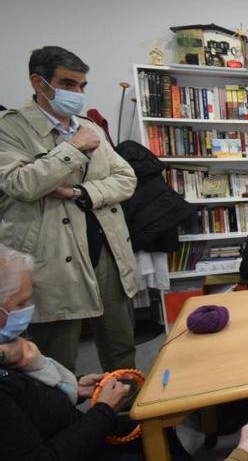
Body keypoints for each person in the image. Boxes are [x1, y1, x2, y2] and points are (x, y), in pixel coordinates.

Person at [0, 46, 139, 373]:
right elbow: (21, 184)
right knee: (55, 356)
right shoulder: (11, 128)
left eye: (81, 86)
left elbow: (126, 177)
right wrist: (73, 148)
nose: (76, 93)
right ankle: (64, 422)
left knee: (121, 346)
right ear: (39, 83)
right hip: (53, 259)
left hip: (106, 250)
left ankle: (128, 417)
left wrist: (81, 192)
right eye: (68, 84)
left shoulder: (88, 126)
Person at [0, 244, 168, 461]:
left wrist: (73, 387)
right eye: (21, 303)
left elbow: (31, 403)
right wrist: (104, 411)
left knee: (160, 425)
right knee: (154, 436)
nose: (29, 309)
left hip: (71, 430)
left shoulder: (10, 350)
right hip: (74, 446)